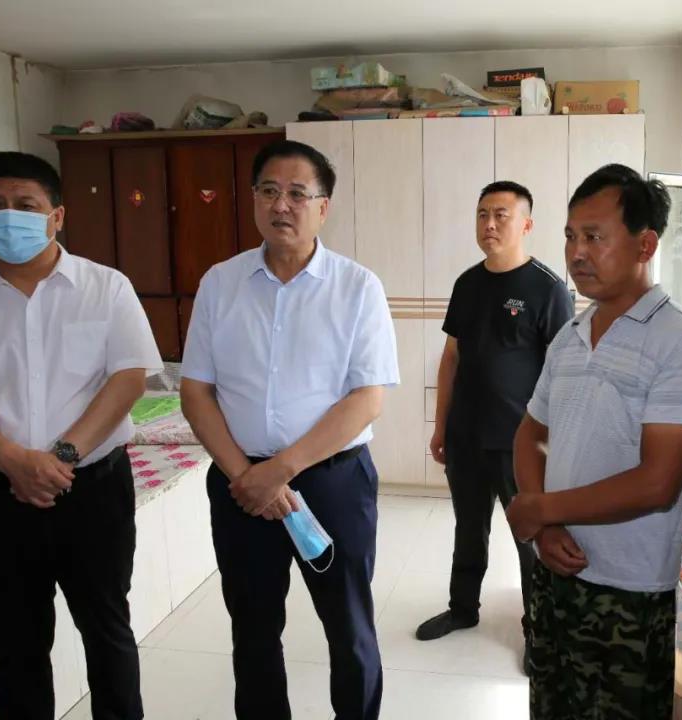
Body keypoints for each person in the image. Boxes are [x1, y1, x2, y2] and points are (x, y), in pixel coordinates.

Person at [0, 151, 162, 720]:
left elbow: (128, 378)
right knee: (16, 646)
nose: (9, 215)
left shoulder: (106, 288)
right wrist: (13, 461)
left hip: (94, 490)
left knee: (107, 631)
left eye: (26, 205)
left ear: (57, 215)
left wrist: (60, 457)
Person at [180, 139, 399, 720]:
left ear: (323, 207)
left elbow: (367, 398)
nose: (282, 205)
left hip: (333, 483)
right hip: (240, 485)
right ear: (253, 199)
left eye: (298, 194)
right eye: (269, 191)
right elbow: (195, 391)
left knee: (348, 624)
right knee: (252, 628)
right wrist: (247, 475)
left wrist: (280, 470)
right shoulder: (220, 283)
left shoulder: (357, 287)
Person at [506, 164, 682, 719]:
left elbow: (657, 483)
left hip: (628, 591)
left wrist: (540, 509)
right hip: (556, 573)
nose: (577, 253)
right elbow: (530, 433)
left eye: (594, 237)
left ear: (645, 244)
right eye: (570, 236)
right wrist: (546, 526)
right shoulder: (570, 337)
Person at [415, 181, 573, 669]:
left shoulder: (548, 289)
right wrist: (441, 426)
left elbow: (563, 374)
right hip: (465, 436)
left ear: (526, 224)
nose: (489, 224)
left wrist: (554, 444)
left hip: (520, 442)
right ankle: (463, 608)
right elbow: (451, 359)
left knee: (529, 538)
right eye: (482, 214)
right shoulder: (467, 283)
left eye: (501, 215)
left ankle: (538, 629)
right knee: (469, 527)